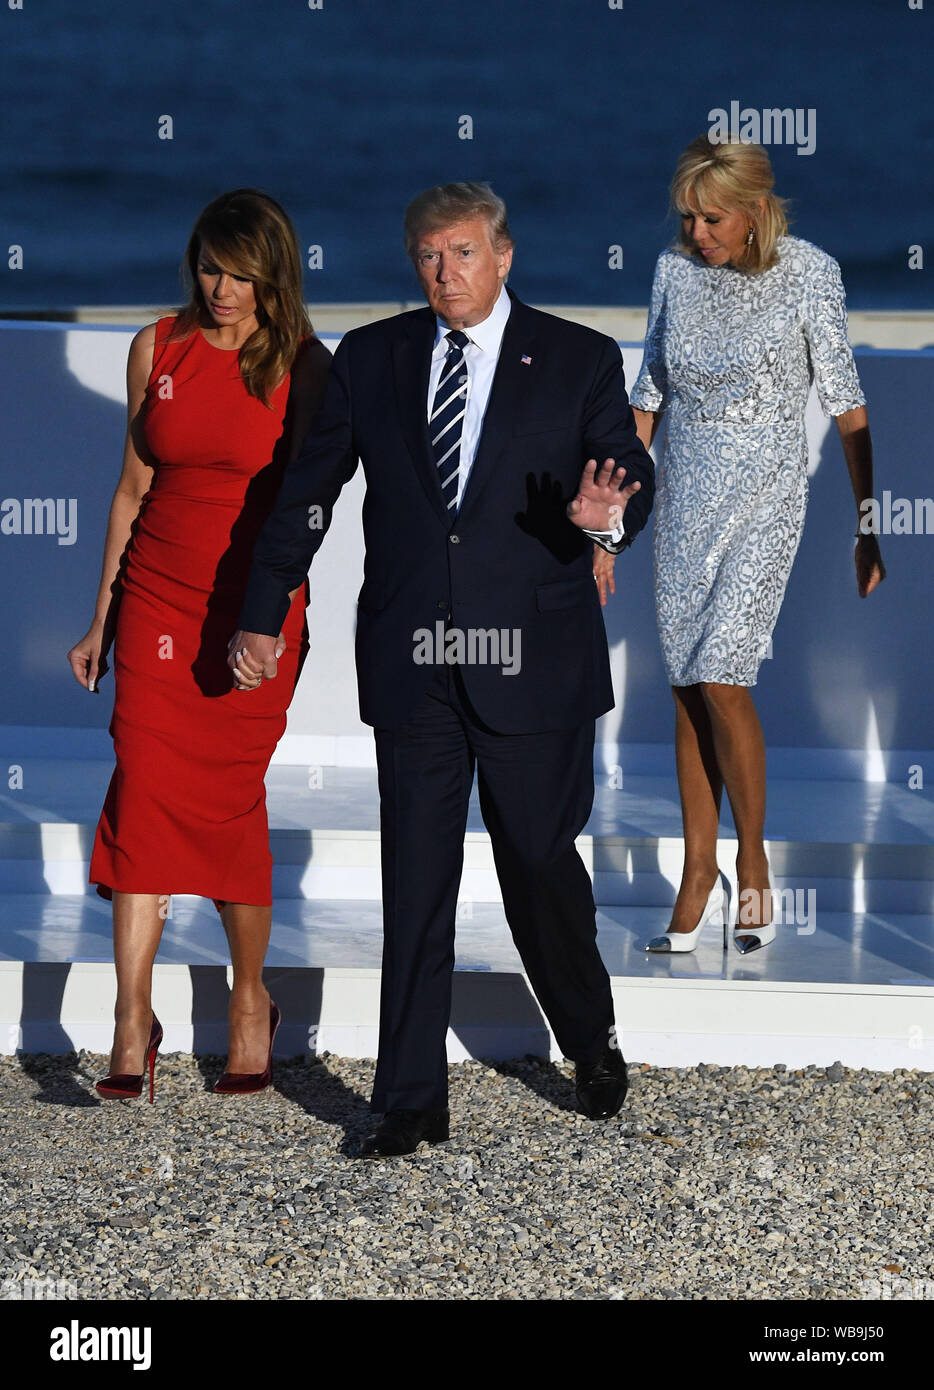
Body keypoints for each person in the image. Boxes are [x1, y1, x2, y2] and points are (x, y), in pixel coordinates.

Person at [228, 181, 654, 1155]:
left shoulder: (578, 358)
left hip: (532, 663)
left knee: (537, 868)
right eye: (427, 253)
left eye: (462, 252)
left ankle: (587, 1036)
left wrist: (608, 515)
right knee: (414, 883)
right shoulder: (370, 358)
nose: (443, 272)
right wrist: (260, 615)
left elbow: (622, 464)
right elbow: (307, 495)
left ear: (505, 256)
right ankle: (409, 1100)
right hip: (415, 660)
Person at [67, 189, 331, 1100]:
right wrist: (103, 614)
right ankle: (130, 1018)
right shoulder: (157, 346)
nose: (223, 289)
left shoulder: (303, 362)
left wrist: (276, 611)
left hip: (252, 614)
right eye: (212, 269)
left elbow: (310, 504)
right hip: (155, 602)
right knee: (141, 788)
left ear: (273, 275)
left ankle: (250, 1001)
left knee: (225, 801)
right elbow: (132, 487)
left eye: (243, 274)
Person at [594, 136, 884, 956]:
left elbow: (848, 406)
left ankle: (751, 861)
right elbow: (647, 398)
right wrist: (611, 526)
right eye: (686, 217)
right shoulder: (670, 274)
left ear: (755, 211)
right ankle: (696, 871)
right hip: (683, 500)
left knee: (723, 677)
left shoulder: (810, 272)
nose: (697, 234)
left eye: (712, 218)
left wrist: (869, 523)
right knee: (687, 687)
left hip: (766, 503)